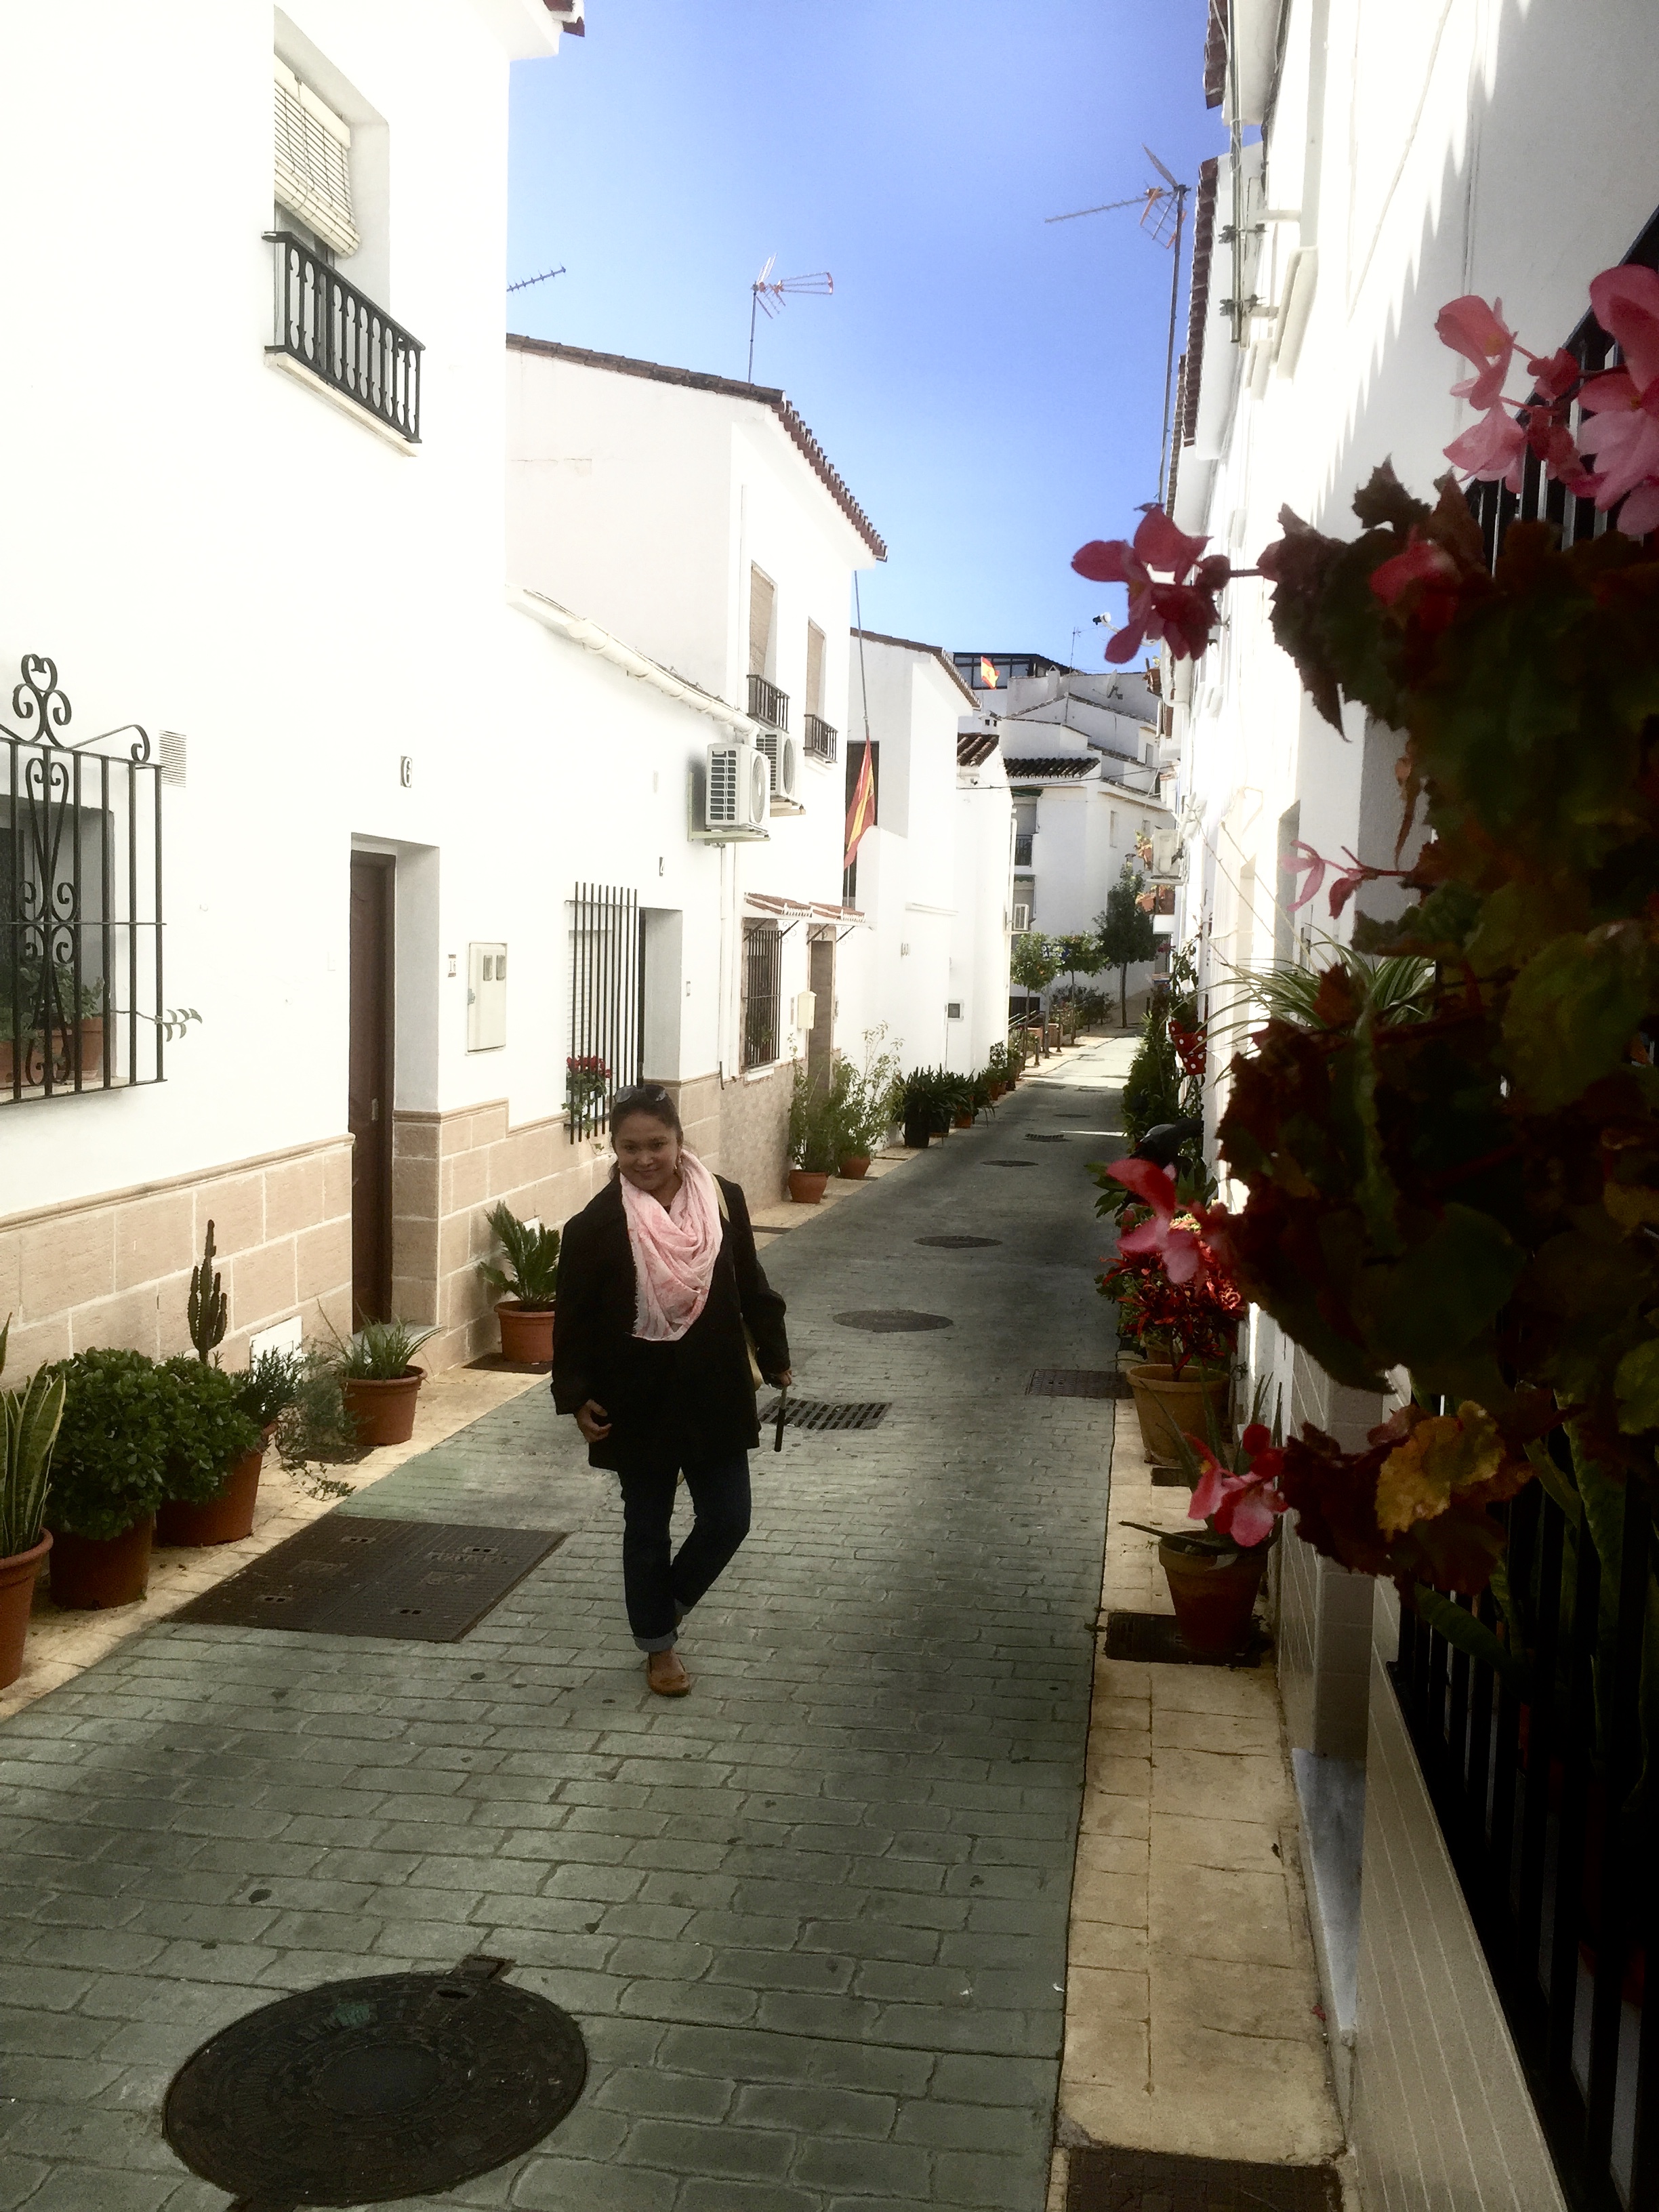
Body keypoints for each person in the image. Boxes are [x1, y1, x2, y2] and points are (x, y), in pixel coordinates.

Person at [552, 1083, 791, 1696]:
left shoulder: (723, 1201)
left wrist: (776, 1355)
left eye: (657, 1143)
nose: (644, 1158)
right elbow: (572, 1322)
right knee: (647, 1526)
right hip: (636, 1399)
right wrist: (576, 1397)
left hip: (714, 1389)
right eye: (629, 1147)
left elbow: (753, 1287)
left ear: (680, 1140)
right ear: (614, 1149)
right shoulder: (595, 1225)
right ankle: (658, 1648)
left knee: (729, 1519)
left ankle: (665, 1607)